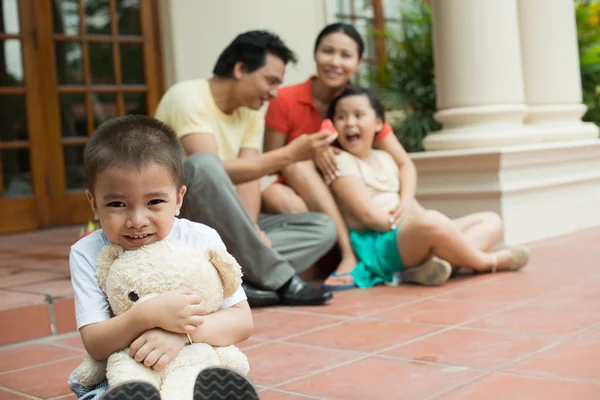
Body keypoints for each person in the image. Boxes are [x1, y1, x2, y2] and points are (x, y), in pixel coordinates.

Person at [262, 22, 506, 289]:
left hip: (362, 196)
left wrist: (405, 204)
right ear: (315, 54)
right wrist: (311, 149)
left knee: (483, 221)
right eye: (327, 51)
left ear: (357, 63)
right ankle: (349, 253)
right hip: (315, 191)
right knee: (282, 184)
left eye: (346, 55)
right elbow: (274, 160)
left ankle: (437, 258)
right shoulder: (285, 99)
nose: (335, 62)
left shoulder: (359, 103)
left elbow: (403, 162)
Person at [67, 115, 259, 399]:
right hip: (129, 364)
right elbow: (95, 343)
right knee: (99, 388)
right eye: (117, 204)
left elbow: (242, 322)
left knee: (214, 375)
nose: (137, 220)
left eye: (154, 202)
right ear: (94, 204)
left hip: (194, 355)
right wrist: (145, 315)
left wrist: (181, 334)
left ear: (179, 199)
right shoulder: (87, 253)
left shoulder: (201, 239)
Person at [154, 30, 337, 307]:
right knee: (205, 165)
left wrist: (251, 226)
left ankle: (236, 274)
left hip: (228, 229)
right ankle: (281, 280)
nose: (275, 93)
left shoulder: (250, 111)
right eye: (271, 81)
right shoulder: (187, 96)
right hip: (185, 219)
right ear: (241, 69)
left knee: (323, 228)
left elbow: (251, 174)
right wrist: (289, 154)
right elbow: (209, 174)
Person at [323, 87, 530, 288]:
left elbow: (409, 197)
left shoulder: (385, 157)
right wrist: (415, 222)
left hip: (410, 229)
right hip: (382, 241)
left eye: (359, 115)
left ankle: (432, 265)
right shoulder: (341, 161)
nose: (350, 123)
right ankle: (486, 262)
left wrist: (412, 210)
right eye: (341, 117)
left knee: (491, 220)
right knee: (432, 222)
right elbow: (369, 217)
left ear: (378, 123)